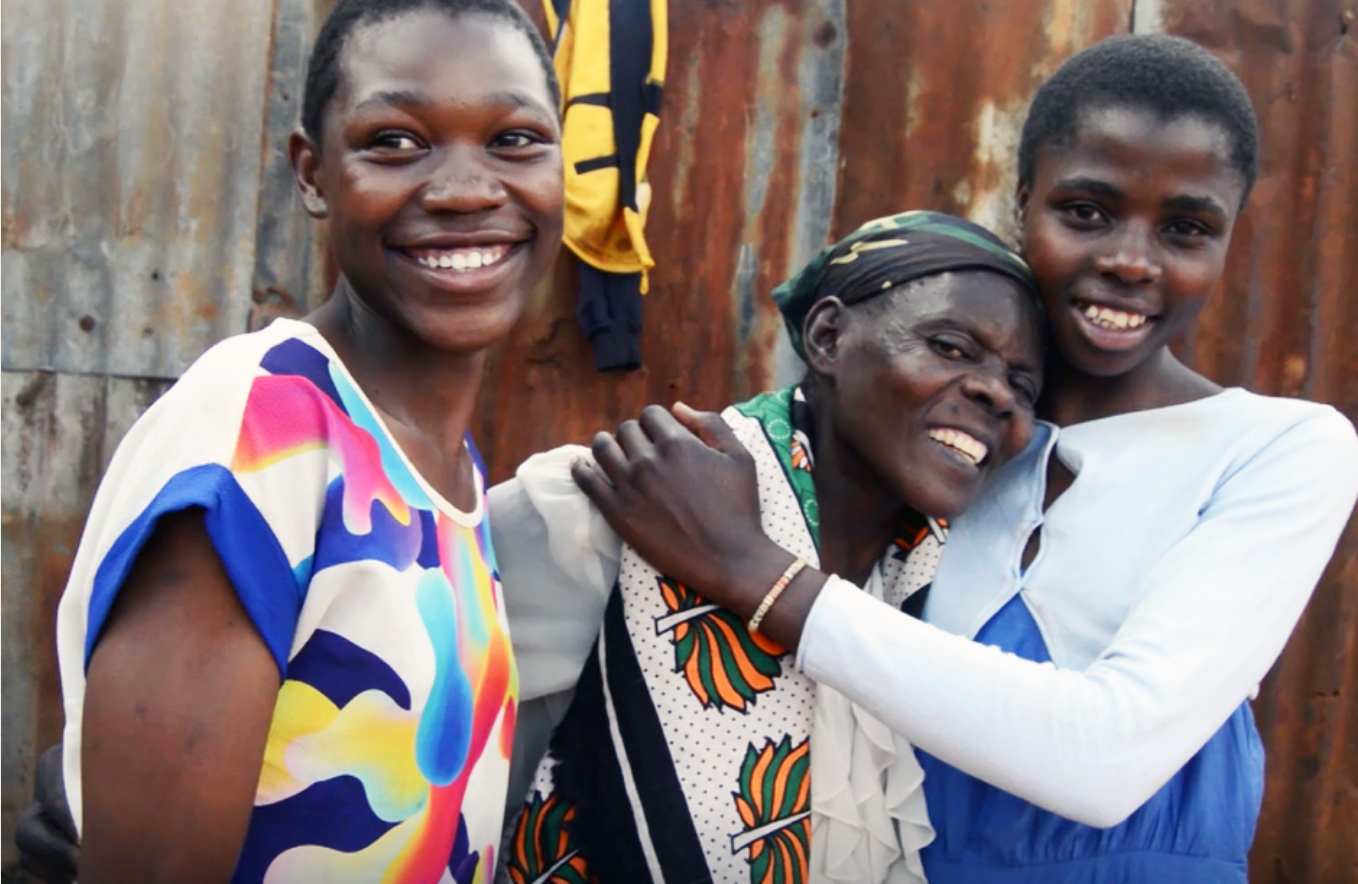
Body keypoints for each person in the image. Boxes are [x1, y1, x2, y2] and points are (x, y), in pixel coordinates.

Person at [566, 34, 1358, 884]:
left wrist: (752, 570)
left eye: (1186, 229)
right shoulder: (940, 441)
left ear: (1229, 240)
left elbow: (1108, 762)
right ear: (1024, 203)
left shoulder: (1278, 449)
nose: (1130, 259)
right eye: (1085, 211)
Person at [45, 0, 565, 881]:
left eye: (514, 140)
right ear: (313, 174)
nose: (467, 190)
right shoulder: (261, 438)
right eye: (395, 142)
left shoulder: (446, 466)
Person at [496, 211, 1044, 884]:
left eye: (1024, 386)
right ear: (828, 337)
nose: (997, 393)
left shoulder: (942, 608)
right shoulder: (603, 514)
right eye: (953, 347)